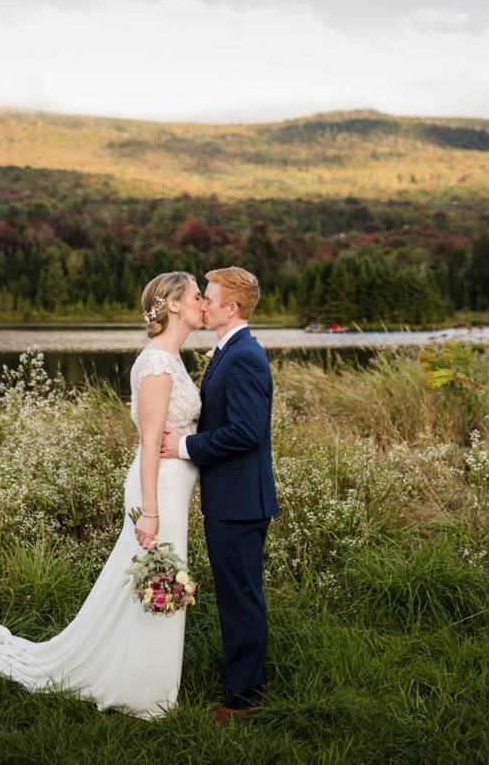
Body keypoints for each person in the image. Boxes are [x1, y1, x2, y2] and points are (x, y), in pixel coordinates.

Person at [0, 271, 204, 720]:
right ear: (172, 305)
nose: (203, 303)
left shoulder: (172, 357)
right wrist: (149, 511)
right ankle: (143, 692)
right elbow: (149, 443)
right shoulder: (158, 364)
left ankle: (143, 676)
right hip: (158, 491)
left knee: (150, 582)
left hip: (171, 487)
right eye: (196, 296)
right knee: (157, 579)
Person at [161, 266, 278, 724]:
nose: (203, 304)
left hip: (239, 501)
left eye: (209, 298)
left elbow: (247, 432)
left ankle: (244, 699)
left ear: (231, 307)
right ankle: (251, 678)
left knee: (239, 595)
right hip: (234, 498)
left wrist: (185, 446)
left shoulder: (245, 355)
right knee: (241, 591)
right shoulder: (231, 350)